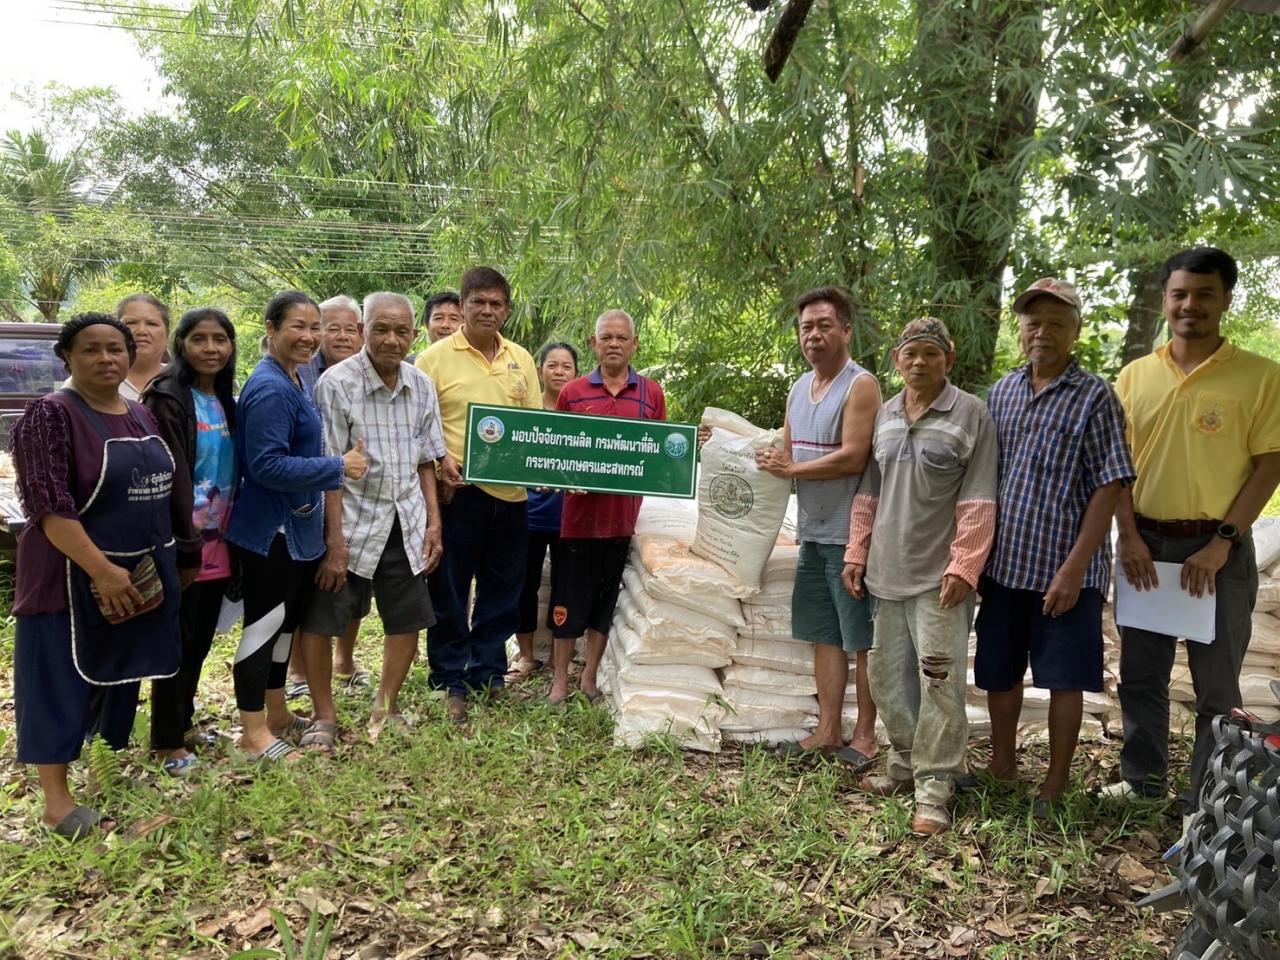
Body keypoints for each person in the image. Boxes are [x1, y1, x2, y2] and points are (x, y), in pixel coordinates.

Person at [1106, 247, 1280, 813]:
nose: (1191, 305)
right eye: (1180, 294)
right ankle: (1142, 781)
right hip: (1146, 545)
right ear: (1165, 300)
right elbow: (1116, 466)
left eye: (1205, 294)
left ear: (1226, 299)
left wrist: (1222, 542)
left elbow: (1269, 464)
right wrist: (1127, 535)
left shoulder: (1260, 377)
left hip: (1218, 551)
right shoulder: (1136, 376)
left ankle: (1207, 797)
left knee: (1217, 687)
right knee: (1141, 674)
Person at [11, 313, 184, 838]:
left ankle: (104, 774)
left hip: (134, 571)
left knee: (115, 672)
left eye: (116, 349)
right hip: (67, 576)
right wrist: (101, 569)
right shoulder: (50, 415)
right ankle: (57, 804)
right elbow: (48, 506)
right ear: (67, 356)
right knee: (57, 680)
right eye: (91, 350)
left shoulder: (137, 414)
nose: (106, 359)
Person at [974, 279, 1136, 817]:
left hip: (1066, 569)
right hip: (1004, 563)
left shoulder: (1094, 396)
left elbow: (1110, 485)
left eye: (1055, 323)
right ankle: (1002, 763)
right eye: (1033, 323)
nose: (1042, 332)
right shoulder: (1002, 392)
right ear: (1020, 330)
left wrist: (1073, 569)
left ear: (1076, 331)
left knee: (1064, 678)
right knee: (999, 669)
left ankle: (1055, 783)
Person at [843, 317, 998, 836]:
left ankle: (935, 788)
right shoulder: (886, 415)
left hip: (940, 580)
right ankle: (904, 763)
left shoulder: (970, 413)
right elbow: (868, 493)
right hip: (886, 574)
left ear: (948, 359)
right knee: (886, 680)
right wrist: (856, 553)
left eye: (930, 353)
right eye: (910, 353)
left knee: (939, 684)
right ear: (896, 360)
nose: (919, 362)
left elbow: (979, 499)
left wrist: (964, 565)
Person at [226, 291, 369, 761]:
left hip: (295, 534)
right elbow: (266, 466)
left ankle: (278, 714)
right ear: (270, 329)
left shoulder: (294, 379)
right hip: (271, 534)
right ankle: (252, 734)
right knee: (263, 630)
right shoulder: (269, 387)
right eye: (298, 327)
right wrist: (336, 467)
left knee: (284, 627)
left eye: (314, 328)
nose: (309, 337)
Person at [298, 293, 445, 750]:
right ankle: (324, 715)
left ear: (413, 336)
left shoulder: (421, 384)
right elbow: (330, 470)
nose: (391, 339)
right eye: (381, 328)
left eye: (402, 331)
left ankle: (386, 705)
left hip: (406, 521)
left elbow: (426, 461)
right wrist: (334, 541)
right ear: (363, 331)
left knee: (406, 620)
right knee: (325, 619)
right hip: (354, 522)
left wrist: (434, 523)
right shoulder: (336, 385)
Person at [755, 286, 881, 769]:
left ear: (846, 330)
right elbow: (786, 452)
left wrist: (792, 472)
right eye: (807, 327)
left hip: (851, 535)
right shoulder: (798, 388)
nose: (814, 335)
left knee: (860, 639)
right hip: (812, 531)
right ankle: (828, 729)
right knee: (824, 635)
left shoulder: (860, 385)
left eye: (824, 325)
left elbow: (853, 456)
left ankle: (865, 736)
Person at [416, 266, 541, 725]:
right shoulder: (432, 360)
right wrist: (438, 461)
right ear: (463, 305)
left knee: (502, 588)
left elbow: (534, 427)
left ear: (506, 310)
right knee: (448, 587)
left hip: (511, 498)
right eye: (478, 302)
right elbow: (418, 428)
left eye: (496, 304)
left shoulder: (521, 359)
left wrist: (543, 467)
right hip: (457, 495)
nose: (487, 310)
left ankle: (488, 671)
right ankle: (449, 677)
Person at [143, 307, 241, 776]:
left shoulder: (223, 397)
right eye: (199, 339)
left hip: (219, 539)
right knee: (176, 640)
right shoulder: (167, 396)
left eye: (220, 339)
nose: (210, 349)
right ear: (181, 344)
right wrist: (182, 540)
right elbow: (166, 474)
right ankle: (164, 742)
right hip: (181, 541)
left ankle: (183, 724)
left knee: (200, 638)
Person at [548, 312, 665, 703]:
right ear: (593, 343)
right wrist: (568, 477)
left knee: (605, 603)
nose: (614, 344)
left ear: (635, 344)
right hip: (577, 521)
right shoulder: (574, 393)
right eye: (606, 337)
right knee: (567, 602)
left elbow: (660, 454)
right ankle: (560, 681)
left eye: (621, 337)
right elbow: (557, 453)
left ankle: (590, 677)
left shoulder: (652, 394)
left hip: (621, 520)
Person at [289, 294, 369, 696]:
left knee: (356, 584)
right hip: (310, 494)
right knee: (311, 584)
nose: (341, 335)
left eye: (349, 328)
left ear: (361, 332)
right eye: (330, 327)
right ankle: (297, 671)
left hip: (362, 497)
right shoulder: (300, 373)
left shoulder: (373, 373)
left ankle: (346, 660)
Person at [508, 341, 580, 684]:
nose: (560, 372)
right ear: (540, 371)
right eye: (553, 365)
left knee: (565, 589)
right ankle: (525, 656)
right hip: (528, 517)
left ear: (577, 373)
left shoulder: (582, 419)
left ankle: (556, 657)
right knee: (525, 587)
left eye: (567, 366)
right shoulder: (528, 415)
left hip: (570, 521)